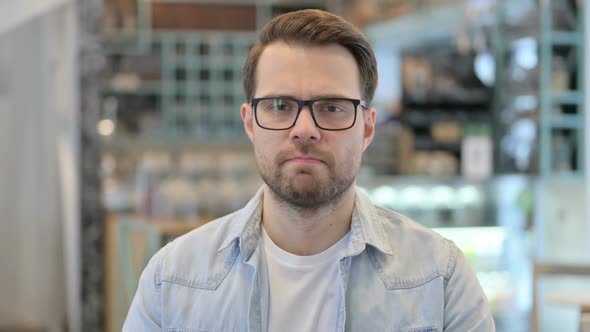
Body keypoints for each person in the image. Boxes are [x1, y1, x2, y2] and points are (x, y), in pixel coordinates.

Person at [124, 9, 495, 331]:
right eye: (280, 105)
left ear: (367, 127)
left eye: (332, 107)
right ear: (250, 122)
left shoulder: (440, 280)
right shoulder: (172, 280)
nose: (304, 129)